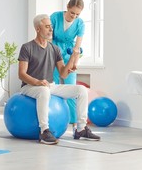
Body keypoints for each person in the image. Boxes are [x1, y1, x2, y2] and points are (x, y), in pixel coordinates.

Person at [18, 14, 100, 145]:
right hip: (30, 87)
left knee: (81, 90)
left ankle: (81, 129)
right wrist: (37, 82)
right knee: (44, 91)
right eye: (47, 27)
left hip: (49, 85)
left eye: (51, 27)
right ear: (38, 29)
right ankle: (44, 131)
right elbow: (21, 74)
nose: (51, 29)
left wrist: (72, 59)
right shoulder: (27, 47)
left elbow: (63, 74)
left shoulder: (54, 49)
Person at [50, 0, 85, 133]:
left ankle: (76, 126)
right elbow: (48, 37)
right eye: (72, 13)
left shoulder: (80, 23)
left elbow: (77, 46)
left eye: (77, 14)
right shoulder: (55, 16)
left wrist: (74, 62)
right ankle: (52, 119)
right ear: (67, 7)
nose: (74, 16)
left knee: (72, 90)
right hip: (53, 53)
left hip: (69, 56)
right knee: (54, 87)